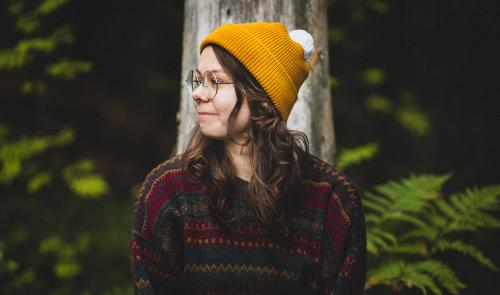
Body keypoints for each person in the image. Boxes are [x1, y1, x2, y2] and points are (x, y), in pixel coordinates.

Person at [129, 22, 366, 295]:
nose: (196, 93)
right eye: (198, 79)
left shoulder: (333, 201)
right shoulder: (166, 192)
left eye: (215, 81)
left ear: (263, 99)